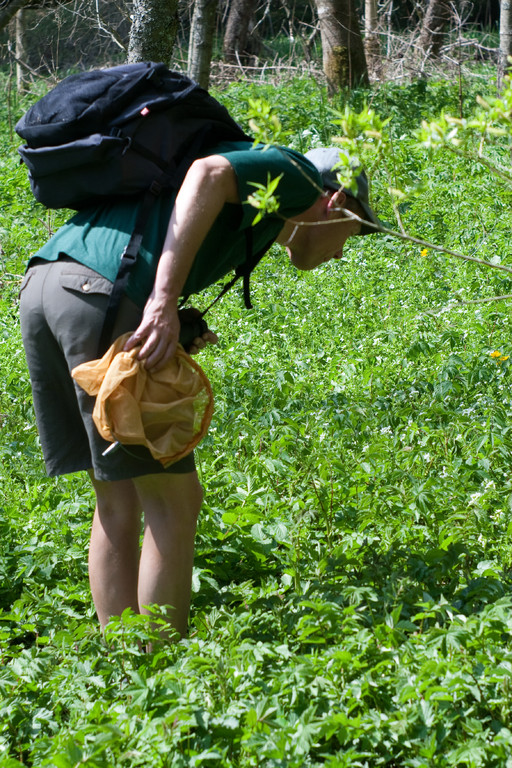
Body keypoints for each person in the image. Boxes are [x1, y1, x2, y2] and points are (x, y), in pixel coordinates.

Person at [19, 141, 381, 639]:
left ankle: (124, 665)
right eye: (353, 233)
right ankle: (162, 675)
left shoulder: (258, 218)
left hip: (48, 285)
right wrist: (162, 301)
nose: (341, 251)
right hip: (101, 291)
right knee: (176, 500)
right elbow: (208, 173)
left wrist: (176, 320)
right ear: (335, 202)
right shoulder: (294, 177)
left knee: (118, 496)